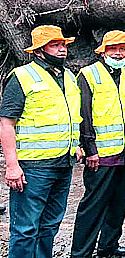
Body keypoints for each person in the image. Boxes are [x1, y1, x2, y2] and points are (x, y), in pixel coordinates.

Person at [0, 25, 83, 258]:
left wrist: (74, 144)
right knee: (25, 229)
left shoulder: (68, 76)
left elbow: (68, 116)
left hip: (63, 165)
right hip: (34, 168)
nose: (61, 49)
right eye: (55, 45)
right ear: (38, 51)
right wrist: (12, 166)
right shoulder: (22, 77)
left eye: (63, 45)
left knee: (49, 226)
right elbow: (6, 123)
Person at [71, 31, 125, 258]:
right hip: (101, 155)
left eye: (122, 49)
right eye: (113, 49)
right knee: (93, 205)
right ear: (103, 51)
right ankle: (81, 252)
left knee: (118, 203)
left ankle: (108, 247)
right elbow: (84, 114)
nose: (118, 53)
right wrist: (90, 149)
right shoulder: (89, 74)